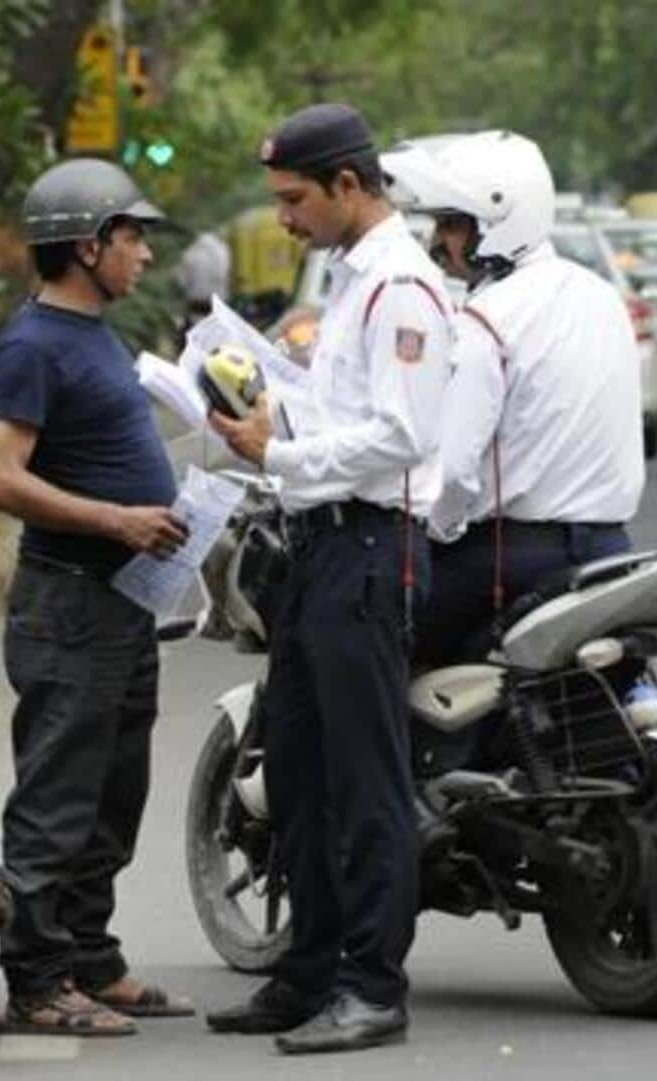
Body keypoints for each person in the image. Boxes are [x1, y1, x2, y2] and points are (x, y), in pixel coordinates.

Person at [204, 103, 452, 1056]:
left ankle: (372, 985)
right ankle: (305, 971)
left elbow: (403, 436)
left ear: (349, 185)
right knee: (297, 772)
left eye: (294, 198)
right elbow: (340, 406)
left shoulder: (403, 288)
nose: (284, 219)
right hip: (318, 547)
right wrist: (269, 402)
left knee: (364, 778)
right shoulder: (351, 281)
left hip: (368, 547)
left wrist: (281, 454)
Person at [0, 158, 195, 1038]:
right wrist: (116, 520)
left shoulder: (95, 333)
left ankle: (90, 959)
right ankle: (35, 980)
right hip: (68, 602)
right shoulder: (32, 344)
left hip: (120, 604)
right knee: (59, 793)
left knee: (115, 789)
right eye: (132, 236)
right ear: (86, 244)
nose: (143, 253)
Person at [402, 131, 646, 667]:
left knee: (375, 645)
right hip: (611, 551)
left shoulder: (487, 319)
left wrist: (430, 531)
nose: (438, 241)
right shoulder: (602, 297)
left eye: (451, 224)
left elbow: (456, 469)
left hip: (507, 560)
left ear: (493, 224)